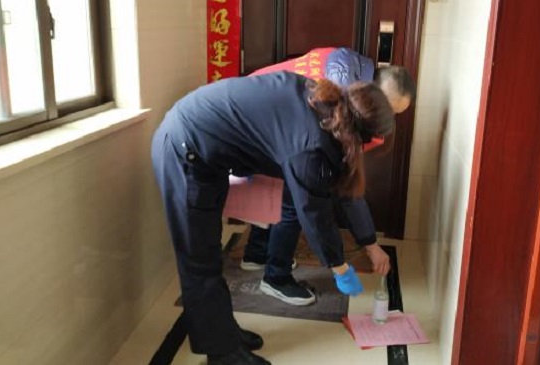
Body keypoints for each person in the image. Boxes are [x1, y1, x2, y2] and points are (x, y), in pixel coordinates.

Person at [151, 71, 395, 365]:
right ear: (360, 138)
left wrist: (367, 243)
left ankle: (223, 333)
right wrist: (340, 267)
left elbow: (340, 188)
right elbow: (314, 215)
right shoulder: (311, 144)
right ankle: (223, 354)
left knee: (209, 254)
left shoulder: (327, 103)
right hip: (185, 148)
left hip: (205, 148)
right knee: (198, 262)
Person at [238, 48, 416, 306]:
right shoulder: (343, 105)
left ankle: (257, 254)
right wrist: (368, 246)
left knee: (279, 184)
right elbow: (345, 186)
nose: (388, 119)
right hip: (254, 124)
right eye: (388, 109)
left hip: (253, 107)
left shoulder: (345, 61)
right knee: (295, 203)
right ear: (373, 95)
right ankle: (276, 277)